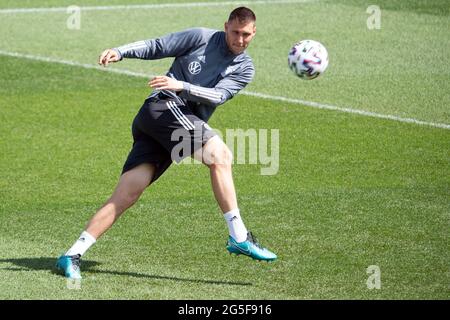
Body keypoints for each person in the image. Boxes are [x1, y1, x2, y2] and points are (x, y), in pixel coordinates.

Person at [56, 7, 276, 280]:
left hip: (174, 122)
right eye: (235, 33)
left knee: (128, 194)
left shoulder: (245, 68)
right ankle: (239, 236)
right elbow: (158, 45)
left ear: (254, 33)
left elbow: (218, 96)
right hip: (162, 108)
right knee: (220, 155)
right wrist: (121, 51)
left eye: (246, 35)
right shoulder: (200, 37)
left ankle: (71, 254)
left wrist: (182, 86)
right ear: (225, 27)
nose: (240, 40)